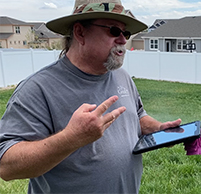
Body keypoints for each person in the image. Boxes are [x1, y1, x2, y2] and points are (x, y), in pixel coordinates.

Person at [0, 0, 181, 193]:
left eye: (125, 33)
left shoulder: (121, 76)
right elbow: (6, 166)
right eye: (113, 31)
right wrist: (71, 138)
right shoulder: (38, 88)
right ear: (80, 32)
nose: (122, 40)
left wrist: (159, 129)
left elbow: (137, 116)